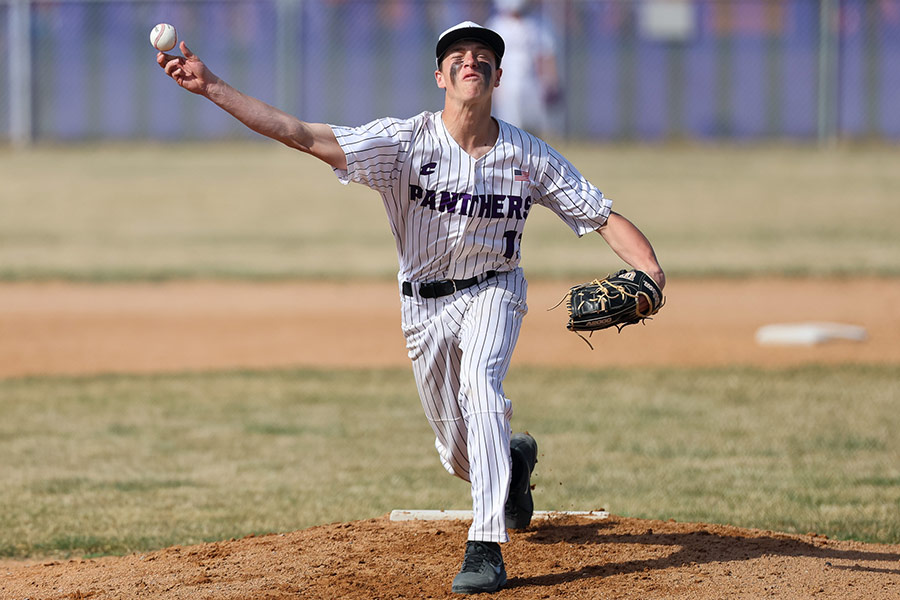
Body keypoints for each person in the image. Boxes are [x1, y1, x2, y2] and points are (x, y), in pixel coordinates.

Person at [157, 20, 665, 595]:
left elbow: (600, 215)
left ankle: (486, 546)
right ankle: (511, 466)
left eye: (483, 56)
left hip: (495, 290)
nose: (470, 61)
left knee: (482, 387)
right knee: (459, 454)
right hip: (424, 309)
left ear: (498, 76)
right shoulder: (403, 144)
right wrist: (212, 86)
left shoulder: (528, 155)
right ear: (439, 76)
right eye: (458, 55)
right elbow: (300, 133)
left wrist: (651, 271)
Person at [487, 0, 563, 137]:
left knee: (534, 127)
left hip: (533, 84)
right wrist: (493, 89)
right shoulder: (496, 25)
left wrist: (551, 82)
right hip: (507, 85)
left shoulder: (538, 24)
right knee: (511, 127)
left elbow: (547, 55)